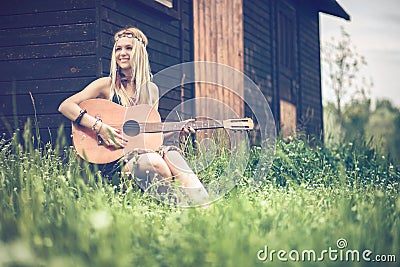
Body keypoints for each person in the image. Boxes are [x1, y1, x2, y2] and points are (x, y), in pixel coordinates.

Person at [58, 27, 209, 207]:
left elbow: (150, 135)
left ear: (139, 53)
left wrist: (177, 129)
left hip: (141, 153)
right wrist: (100, 127)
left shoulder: (151, 91)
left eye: (128, 48)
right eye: (118, 49)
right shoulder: (105, 85)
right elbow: (66, 106)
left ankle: (207, 209)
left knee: (173, 156)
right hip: (110, 158)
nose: (122, 53)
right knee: (155, 162)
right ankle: (179, 207)